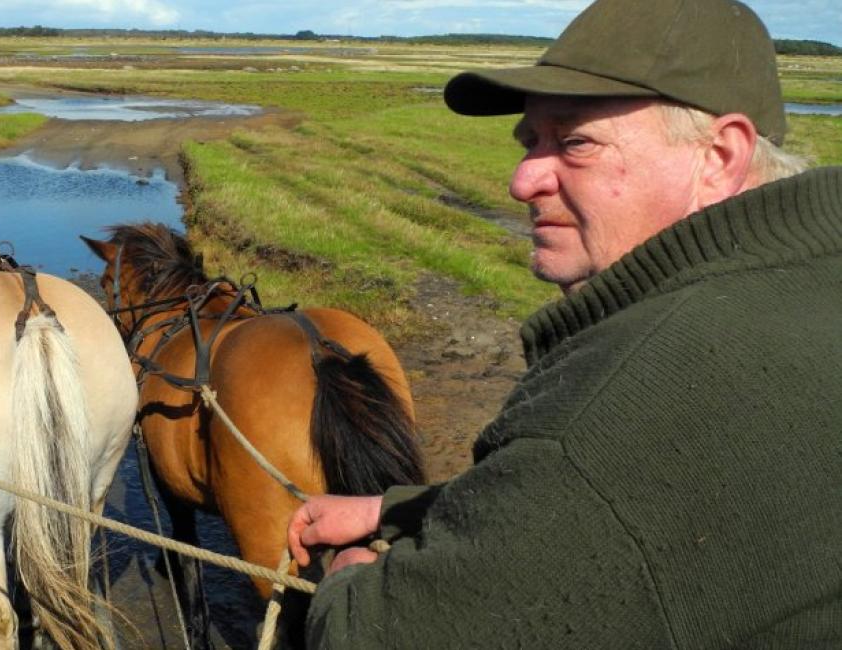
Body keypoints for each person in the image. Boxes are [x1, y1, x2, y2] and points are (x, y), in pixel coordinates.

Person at [286, 0, 842, 646]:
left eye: (575, 142)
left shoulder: (608, 417)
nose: (523, 181)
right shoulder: (810, 283)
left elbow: (379, 636)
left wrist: (349, 582)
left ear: (719, 157)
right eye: (530, 141)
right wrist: (397, 508)